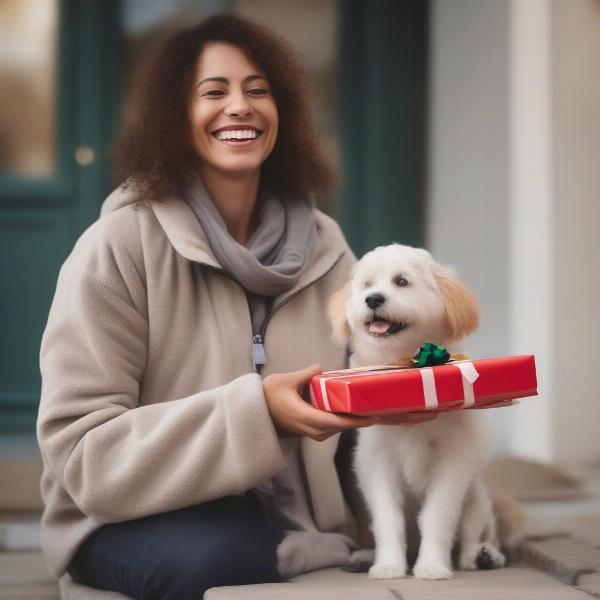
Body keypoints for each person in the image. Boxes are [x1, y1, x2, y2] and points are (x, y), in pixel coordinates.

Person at [37, 14, 432, 600]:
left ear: (284, 113)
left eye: (257, 90)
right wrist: (259, 413)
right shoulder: (117, 246)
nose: (240, 107)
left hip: (294, 522)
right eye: (213, 92)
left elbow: (363, 382)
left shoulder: (327, 248)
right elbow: (85, 458)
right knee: (221, 554)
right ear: (176, 118)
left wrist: (417, 380)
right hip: (127, 517)